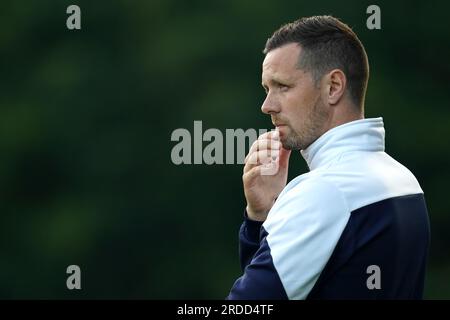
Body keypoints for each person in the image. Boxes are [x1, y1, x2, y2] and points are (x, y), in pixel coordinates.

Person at [226, 15, 430, 300]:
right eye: (266, 89)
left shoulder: (322, 192)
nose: (266, 106)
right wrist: (262, 217)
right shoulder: (404, 180)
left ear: (333, 87)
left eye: (282, 86)